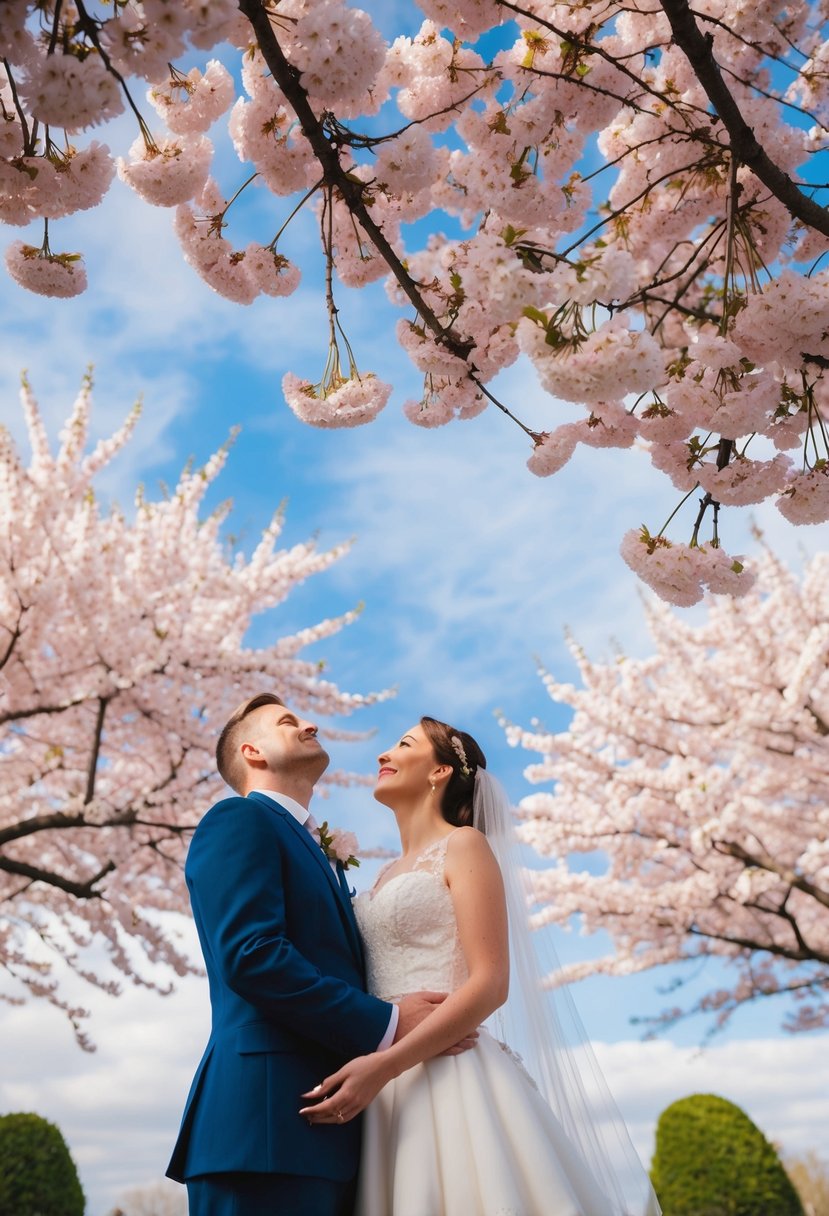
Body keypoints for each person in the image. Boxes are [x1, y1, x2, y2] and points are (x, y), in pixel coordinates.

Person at [301, 716, 661, 1216]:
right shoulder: (382, 873)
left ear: (439, 771)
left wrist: (382, 1067)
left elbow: (491, 983)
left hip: (444, 1074)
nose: (382, 755)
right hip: (381, 1085)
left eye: (402, 744)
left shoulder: (465, 845)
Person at [166, 694, 465, 1216]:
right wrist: (392, 1021)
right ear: (252, 751)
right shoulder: (238, 819)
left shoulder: (320, 853)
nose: (310, 724)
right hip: (263, 1128)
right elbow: (252, 955)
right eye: (288, 721)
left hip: (337, 1131)